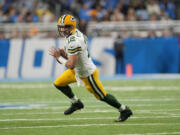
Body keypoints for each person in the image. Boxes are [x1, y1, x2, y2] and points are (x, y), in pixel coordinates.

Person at [48, 14, 132, 122]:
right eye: (61, 26)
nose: (63, 29)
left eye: (66, 26)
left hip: (87, 74)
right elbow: (73, 58)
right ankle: (76, 103)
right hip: (77, 70)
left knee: (102, 96)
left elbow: (71, 64)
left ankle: (124, 110)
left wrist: (58, 57)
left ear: (72, 27)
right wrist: (64, 54)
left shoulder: (74, 41)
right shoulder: (75, 34)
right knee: (58, 83)